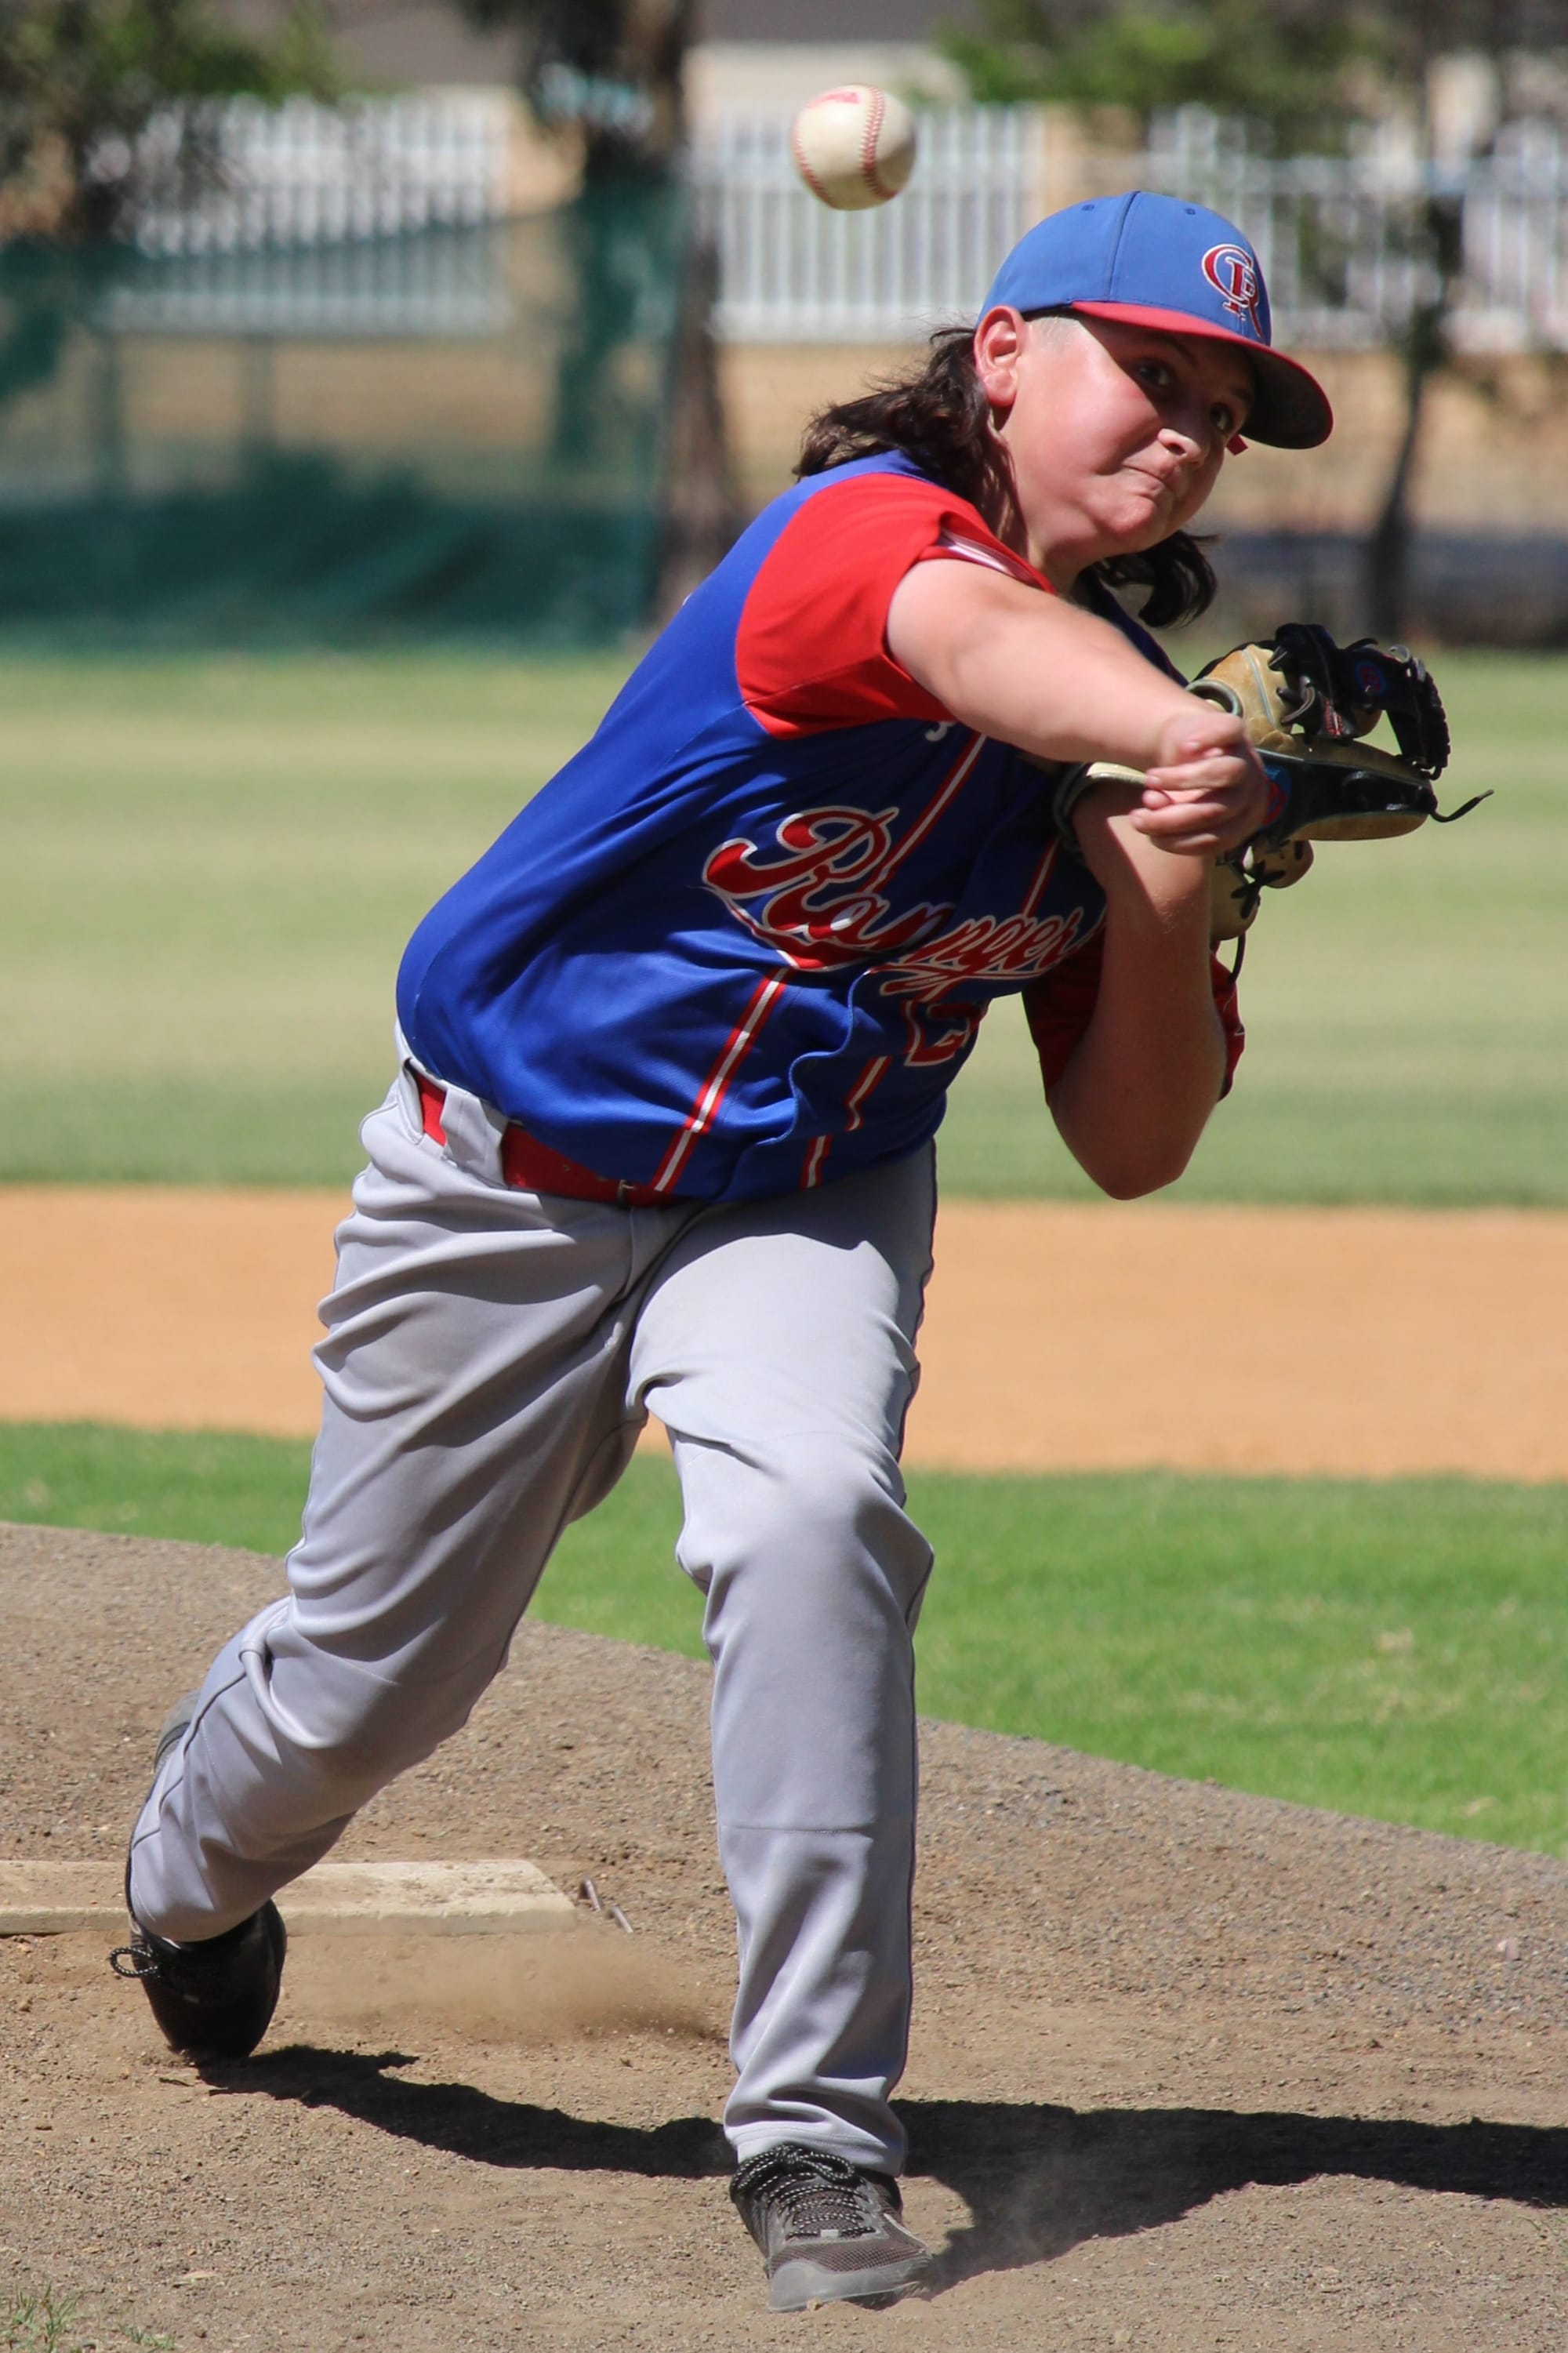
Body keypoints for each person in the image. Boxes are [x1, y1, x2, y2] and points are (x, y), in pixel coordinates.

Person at [111, 191, 1332, 2312]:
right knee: (378, 1675)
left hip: (808, 1191)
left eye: (1223, 413)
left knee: (813, 1519)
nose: (1187, 433)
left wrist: (1159, 873)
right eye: (1152, 374)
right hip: (508, 1177)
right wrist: (1165, 737)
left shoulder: (1135, 734)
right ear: (1006, 356)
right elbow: (966, 642)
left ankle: (815, 2127)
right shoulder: (860, 542)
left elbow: (1133, 1144)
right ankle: (185, 1878)